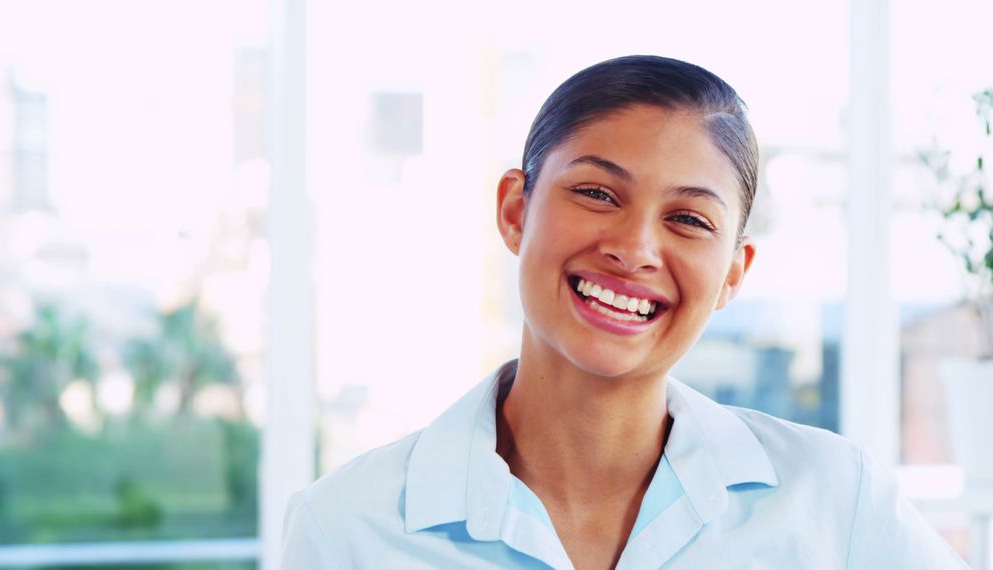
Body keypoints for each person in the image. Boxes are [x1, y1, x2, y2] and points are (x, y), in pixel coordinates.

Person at [280, 55, 967, 569]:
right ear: (516, 211)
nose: (635, 248)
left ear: (733, 272)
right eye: (598, 194)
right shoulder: (347, 528)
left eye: (688, 218)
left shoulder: (834, 502)